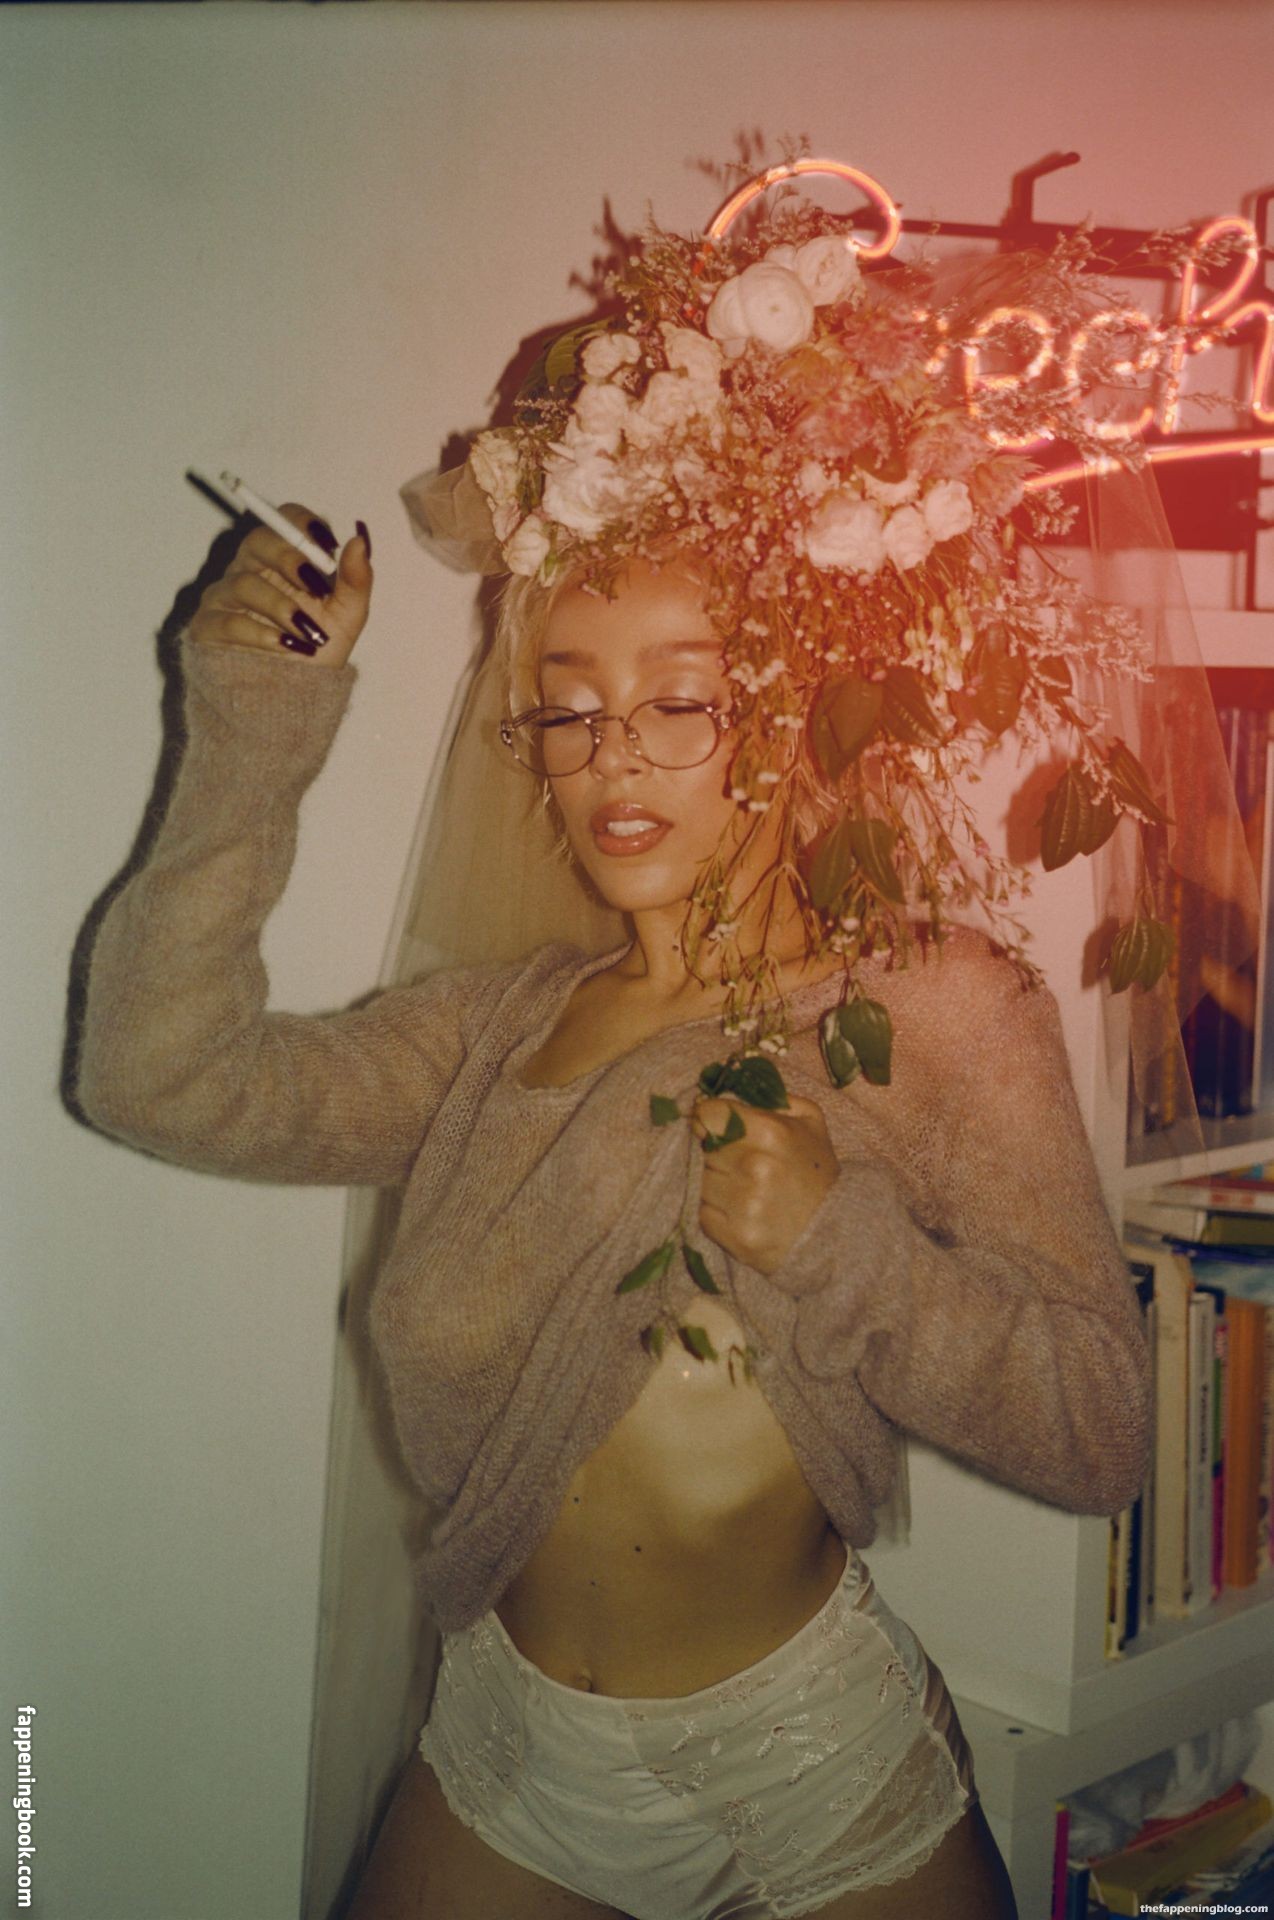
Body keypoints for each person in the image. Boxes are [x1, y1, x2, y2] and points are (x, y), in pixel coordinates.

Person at [77, 163, 1179, 1920]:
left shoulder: (926, 1013)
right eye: (570, 708)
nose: (613, 758)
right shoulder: (496, 1031)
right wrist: (254, 729)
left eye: (679, 699)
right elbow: (156, 1078)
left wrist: (833, 1236)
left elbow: (1098, 1431)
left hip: (808, 1756)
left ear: (793, 716)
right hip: (510, 1747)